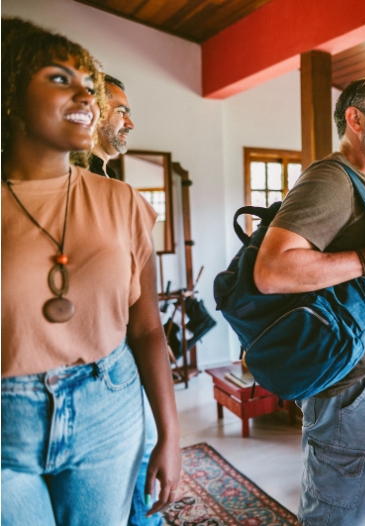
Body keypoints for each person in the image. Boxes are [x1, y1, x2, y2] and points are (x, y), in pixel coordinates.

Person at [1, 17, 180, 526]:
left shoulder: (121, 200)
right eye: (61, 79)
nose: (85, 97)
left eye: (90, 86)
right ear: (11, 92)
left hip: (108, 403)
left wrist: (169, 434)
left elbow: (146, 327)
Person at [253, 70, 365, 526]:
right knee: (336, 515)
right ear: (355, 119)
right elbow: (271, 270)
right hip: (355, 389)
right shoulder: (331, 179)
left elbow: (359, 260)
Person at [82, 73, 160, 526]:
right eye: (121, 109)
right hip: (96, 368)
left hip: (123, 365)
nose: (130, 121)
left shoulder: (117, 188)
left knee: (141, 479)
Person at [88, 74, 134, 179]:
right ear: (95, 111)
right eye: (121, 112)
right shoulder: (76, 174)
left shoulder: (109, 176)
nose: (131, 125)